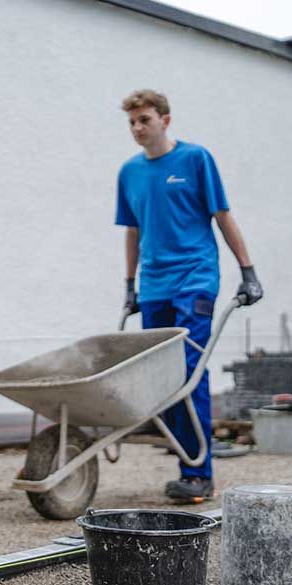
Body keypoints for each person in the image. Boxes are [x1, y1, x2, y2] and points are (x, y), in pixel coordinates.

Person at [115, 89, 263, 503]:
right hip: (155, 286)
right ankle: (189, 459)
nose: (137, 128)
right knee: (161, 377)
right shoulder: (129, 172)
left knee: (189, 370)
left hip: (196, 278)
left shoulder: (196, 159)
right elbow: (133, 230)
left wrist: (248, 271)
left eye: (144, 120)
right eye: (131, 122)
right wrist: (131, 286)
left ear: (165, 119)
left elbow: (222, 215)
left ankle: (198, 474)